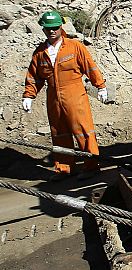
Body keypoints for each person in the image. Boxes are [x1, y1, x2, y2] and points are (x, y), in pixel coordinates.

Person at [22, 11, 108, 179]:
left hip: (75, 94)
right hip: (53, 96)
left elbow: (90, 67)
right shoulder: (40, 53)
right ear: (43, 29)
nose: (52, 31)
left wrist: (101, 86)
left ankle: (91, 166)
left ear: (61, 27)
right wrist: (29, 96)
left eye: (55, 28)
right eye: (48, 28)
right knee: (59, 134)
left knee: (83, 131)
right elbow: (34, 77)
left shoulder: (75, 47)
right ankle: (64, 169)